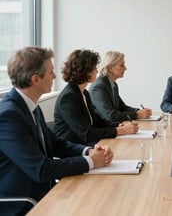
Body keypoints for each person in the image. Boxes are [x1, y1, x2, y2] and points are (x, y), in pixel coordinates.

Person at [0, 47, 113, 216]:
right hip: (23, 203)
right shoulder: (8, 116)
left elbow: (55, 144)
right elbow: (41, 169)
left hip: (46, 192)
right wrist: (90, 162)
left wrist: (88, 151)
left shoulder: (30, 106)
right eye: (51, 72)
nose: (54, 76)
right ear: (35, 79)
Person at [54, 49, 138, 146]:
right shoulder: (68, 98)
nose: (97, 71)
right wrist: (119, 131)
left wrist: (120, 125)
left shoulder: (84, 93)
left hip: (87, 145)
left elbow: (97, 121)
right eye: (94, 68)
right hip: (74, 150)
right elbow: (87, 134)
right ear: (84, 71)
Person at [89, 50, 152, 122]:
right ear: (110, 68)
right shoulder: (98, 87)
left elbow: (122, 108)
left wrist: (140, 111)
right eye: (122, 65)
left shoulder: (113, 84)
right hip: (104, 130)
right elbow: (111, 116)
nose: (125, 68)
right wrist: (137, 114)